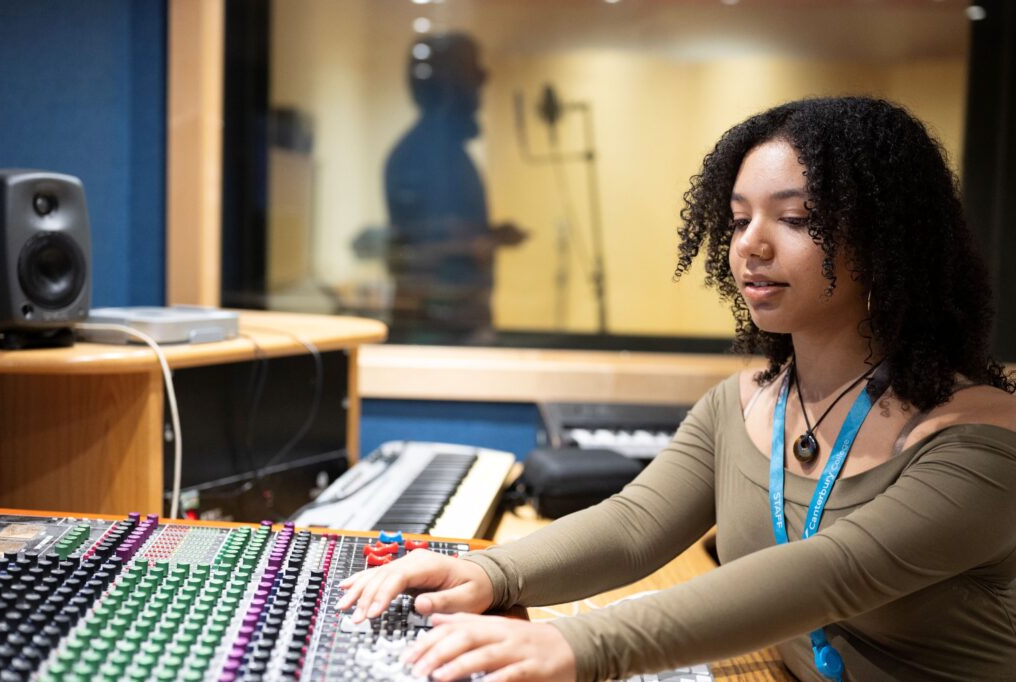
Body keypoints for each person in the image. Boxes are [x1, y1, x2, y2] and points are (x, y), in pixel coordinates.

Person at [339, 97, 1016, 681]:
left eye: (795, 218)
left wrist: (578, 645)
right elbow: (634, 525)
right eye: (740, 218)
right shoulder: (743, 403)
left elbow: (833, 571)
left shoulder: (981, 443)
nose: (751, 245)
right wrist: (491, 574)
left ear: (890, 241)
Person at [384, 32, 527, 342]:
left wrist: (489, 236)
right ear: (451, 86)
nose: (481, 86)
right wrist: (483, 241)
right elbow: (424, 251)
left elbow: (444, 236)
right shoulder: (424, 154)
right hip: (439, 335)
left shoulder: (444, 152)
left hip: (454, 329)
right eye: (473, 76)